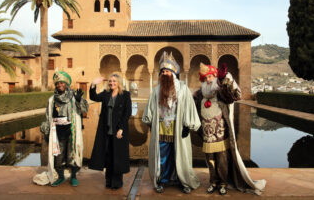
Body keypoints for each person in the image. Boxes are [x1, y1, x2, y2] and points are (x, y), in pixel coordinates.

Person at [195, 63, 266, 195]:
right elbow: (192, 106)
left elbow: (234, 96)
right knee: (210, 159)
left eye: (210, 76)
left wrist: (223, 79)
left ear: (215, 77)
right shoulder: (200, 93)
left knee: (222, 159)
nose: (208, 80)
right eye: (206, 78)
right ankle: (213, 182)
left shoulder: (220, 91)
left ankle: (223, 183)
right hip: (207, 133)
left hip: (221, 132)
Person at [142, 52, 201, 194]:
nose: (165, 73)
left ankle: (184, 180)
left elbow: (189, 107)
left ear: (173, 72)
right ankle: (163, 180)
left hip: (179, 127)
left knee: (180, 154)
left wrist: (188, 125)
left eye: (168, 71)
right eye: (163, 71)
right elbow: (150, 109)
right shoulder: (156, 90)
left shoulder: (183, 89)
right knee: (163, 155)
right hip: (162, 128)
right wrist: (150, 123)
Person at [36, 70, 89, 186]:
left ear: (66, 84)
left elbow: (84, 110)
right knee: (58, 157)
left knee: (72, 155)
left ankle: (73, 176)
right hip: (57, 133)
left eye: (62, 83)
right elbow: (47, 116)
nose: (60, 85)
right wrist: (45, 128)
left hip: (71, 131)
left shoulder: (73, 98)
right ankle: (61, 177)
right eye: (57, 83)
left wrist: (79, 100)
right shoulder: (52, 100)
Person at [89, 72, 132, 189]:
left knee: (117, 156)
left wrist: (121, 129)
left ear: (119, 83)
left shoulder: (125, 95)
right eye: (110, 81)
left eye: (114, 81)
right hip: (106, 130)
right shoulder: (106, 94)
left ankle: (117, 182)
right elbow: (94, 97)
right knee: (108, 156)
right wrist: (93, 84)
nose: (112, 83)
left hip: (118, 131)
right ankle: (108, 181)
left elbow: (127, 113)